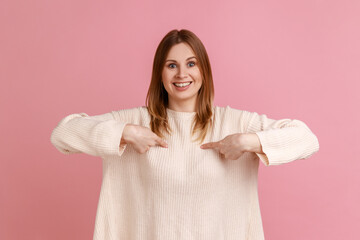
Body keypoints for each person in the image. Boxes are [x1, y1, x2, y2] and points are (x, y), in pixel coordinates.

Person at [50, 29, 320, 240]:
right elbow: (62, 134)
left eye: (191, 64)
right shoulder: (134, 121)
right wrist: (126, 133)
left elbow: (308, 140)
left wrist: (249, 142)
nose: (182, 74)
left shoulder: (234, 122)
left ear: (204, 70)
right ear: (160, 73)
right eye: (171, 65)